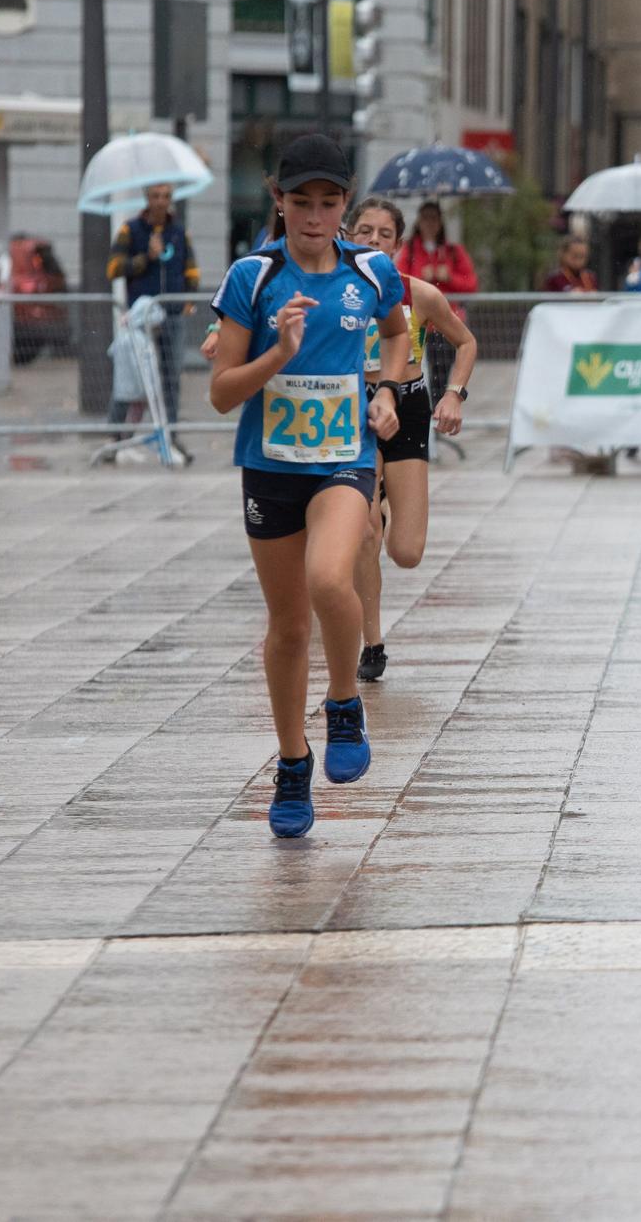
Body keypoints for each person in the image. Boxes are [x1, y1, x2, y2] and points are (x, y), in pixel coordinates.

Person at [207, 134, 411, 839]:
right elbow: (222, 393)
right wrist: (280, 354)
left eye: (328, 203)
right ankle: (293, 762)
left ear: (345, 203)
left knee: (330, 578)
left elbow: (398, 334)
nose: (315, 216)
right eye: (301, 203)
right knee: (289, 626)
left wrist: (387, 390)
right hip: (269, 466)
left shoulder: (371, 270)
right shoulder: (253, 277)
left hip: (343, 459)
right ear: (279, 201)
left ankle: (344, 703)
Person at [346, 196, 478, 684]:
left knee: (406, 551)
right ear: (348, 235)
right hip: (354, 411)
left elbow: (466, 342)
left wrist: (454, 394)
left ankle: (381, 506)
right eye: (365, 231)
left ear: (398, 244)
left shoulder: (418, 294)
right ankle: (372, 642)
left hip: (408, 407)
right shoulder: (333, 290)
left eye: (384, 234)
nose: (373, 240)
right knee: (364, 535)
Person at [109, 184, 203, 456]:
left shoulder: (179, 232)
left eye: (166, 196)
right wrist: (144, 259)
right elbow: (114, 268)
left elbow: (191, 271)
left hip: (171, 316)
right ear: (147, 198)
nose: (161, 202)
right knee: (131, 377)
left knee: (170, 378)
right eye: (156, 196)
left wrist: (187, 301)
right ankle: (116, 435)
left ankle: (170, 435)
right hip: (141, 320)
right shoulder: (130, 230)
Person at [396, 201, 480, 297]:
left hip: (448, 305)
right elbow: (399, 283)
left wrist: (450, 278)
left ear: (440, 222)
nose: (429, 223)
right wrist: (420, 278)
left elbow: (471, 284)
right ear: (419, 222)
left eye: (434, 218)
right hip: (419, 305)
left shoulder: (454, 251)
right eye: (425, 218)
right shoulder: (409, 250)